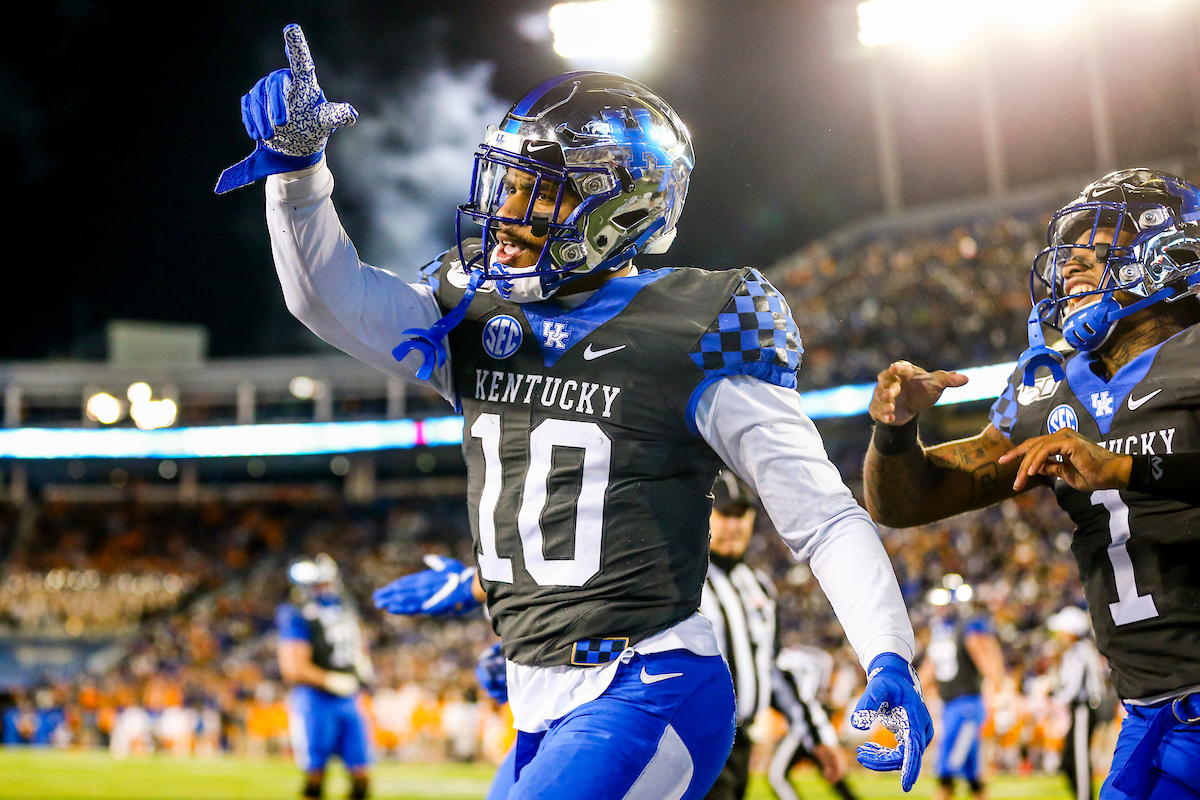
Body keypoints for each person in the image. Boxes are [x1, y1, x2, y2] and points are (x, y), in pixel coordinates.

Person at [221, 24, 932, 798]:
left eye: (536, 191)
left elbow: (823, 517)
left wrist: (888, 653)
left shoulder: (697, 328)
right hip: (539, 707)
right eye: (508, 186)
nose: (506, 213)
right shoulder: (478, 316)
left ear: (620, 207)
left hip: (651, 685)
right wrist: (298, 176)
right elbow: (332, 299)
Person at [863, 168, 1200, 800]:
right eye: (1067, 256)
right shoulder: (1050, 390)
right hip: (1152, 712)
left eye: (1099, 251)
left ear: (1169, 250)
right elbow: (906, 503)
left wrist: (1124, 469)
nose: (1070, 270)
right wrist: (896, 428)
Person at [276, 554, 374, 800]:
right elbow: (292, 668)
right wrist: (330, 680)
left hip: (350, 697)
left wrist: (362, 663)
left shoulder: (344, 604)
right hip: (316, 699)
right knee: (316, 775)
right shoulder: (296, 612)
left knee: (361, 775)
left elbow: (358, 641)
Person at [917, 589, 1006, 800]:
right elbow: (930, 668)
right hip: (949, 705)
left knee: (948, 763)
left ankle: (944, 792)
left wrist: (998, 688)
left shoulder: (969, 630)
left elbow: (986, 658)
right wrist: (912, 690)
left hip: (967, 702)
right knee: (971, 771)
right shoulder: (941, 633)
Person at [770, 645, 860, 800]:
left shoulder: (790, 671)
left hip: (804, 730)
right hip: (813, 728)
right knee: (835, 777)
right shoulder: (811, 680)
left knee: (778, 776)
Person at [1048, 606, 1108, 800]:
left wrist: (1053, 698)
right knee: (1068, 761)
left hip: (1083, 709)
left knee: (1079, 761)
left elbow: (1073, 688)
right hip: (1080, 710)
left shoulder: (1078, 652)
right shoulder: (1081, 650)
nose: (1058, 634)